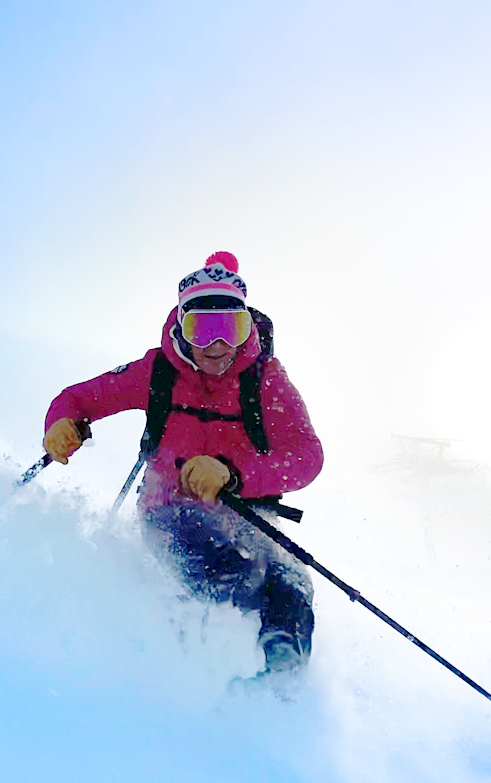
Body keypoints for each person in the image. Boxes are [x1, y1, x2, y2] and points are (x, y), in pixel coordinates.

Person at [41, 252, 323, 676]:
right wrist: (62, 422)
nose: (217, 345)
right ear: (180, 326)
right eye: (202, 329)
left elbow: (306, 454)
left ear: (247, 327)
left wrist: (233, 472)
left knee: (291, 584)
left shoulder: (265, 379)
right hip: (169, 507)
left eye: (231, 328)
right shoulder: (158, 371)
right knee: (229, 576)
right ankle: (193, 674)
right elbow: (81, 398)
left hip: (247, 510)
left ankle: (280, 687)